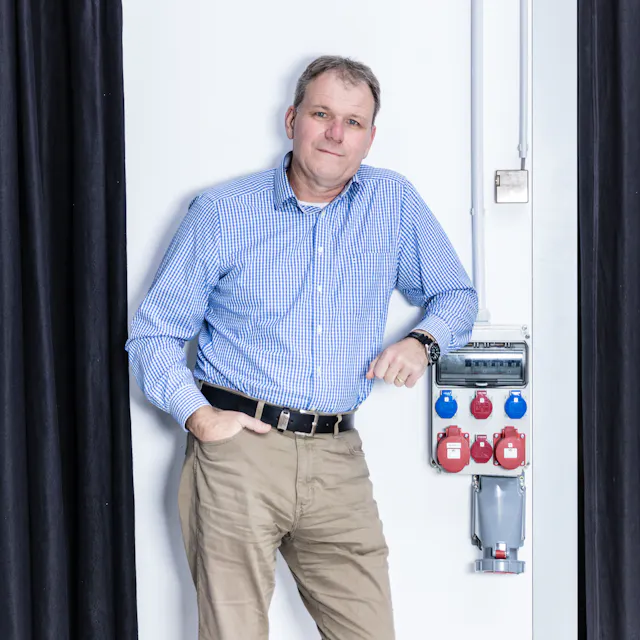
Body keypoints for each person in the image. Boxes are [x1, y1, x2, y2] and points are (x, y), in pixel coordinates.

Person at [126, 55, 478, 640]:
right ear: (292, 120)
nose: (336, 133)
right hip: (240, 456)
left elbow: (456, 296)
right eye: (321, 114)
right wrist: (200, 417)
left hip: (338, 459)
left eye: (353, 122)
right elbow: (155, 333)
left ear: (369, 137)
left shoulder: (392, 203)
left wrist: (424, 341)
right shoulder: (223, 211)